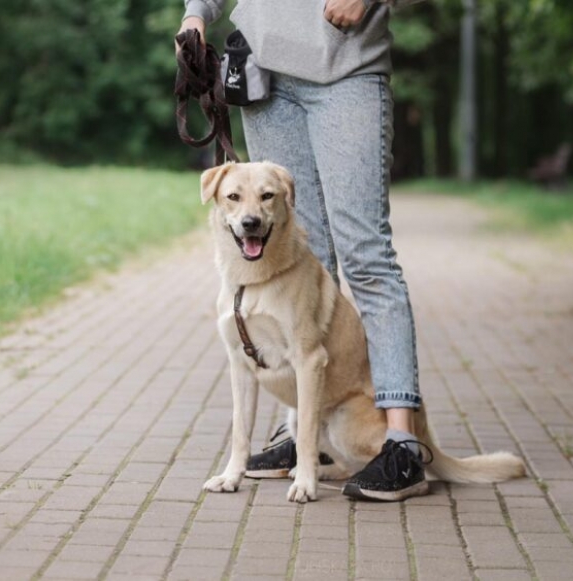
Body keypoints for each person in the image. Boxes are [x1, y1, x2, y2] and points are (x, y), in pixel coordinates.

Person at [178, 0, 426, 501]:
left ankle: (402, 445)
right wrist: (196, 14)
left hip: (347, 68)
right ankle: (302, 437)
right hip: (265, 72)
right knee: (303, 254)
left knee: (366, 254)